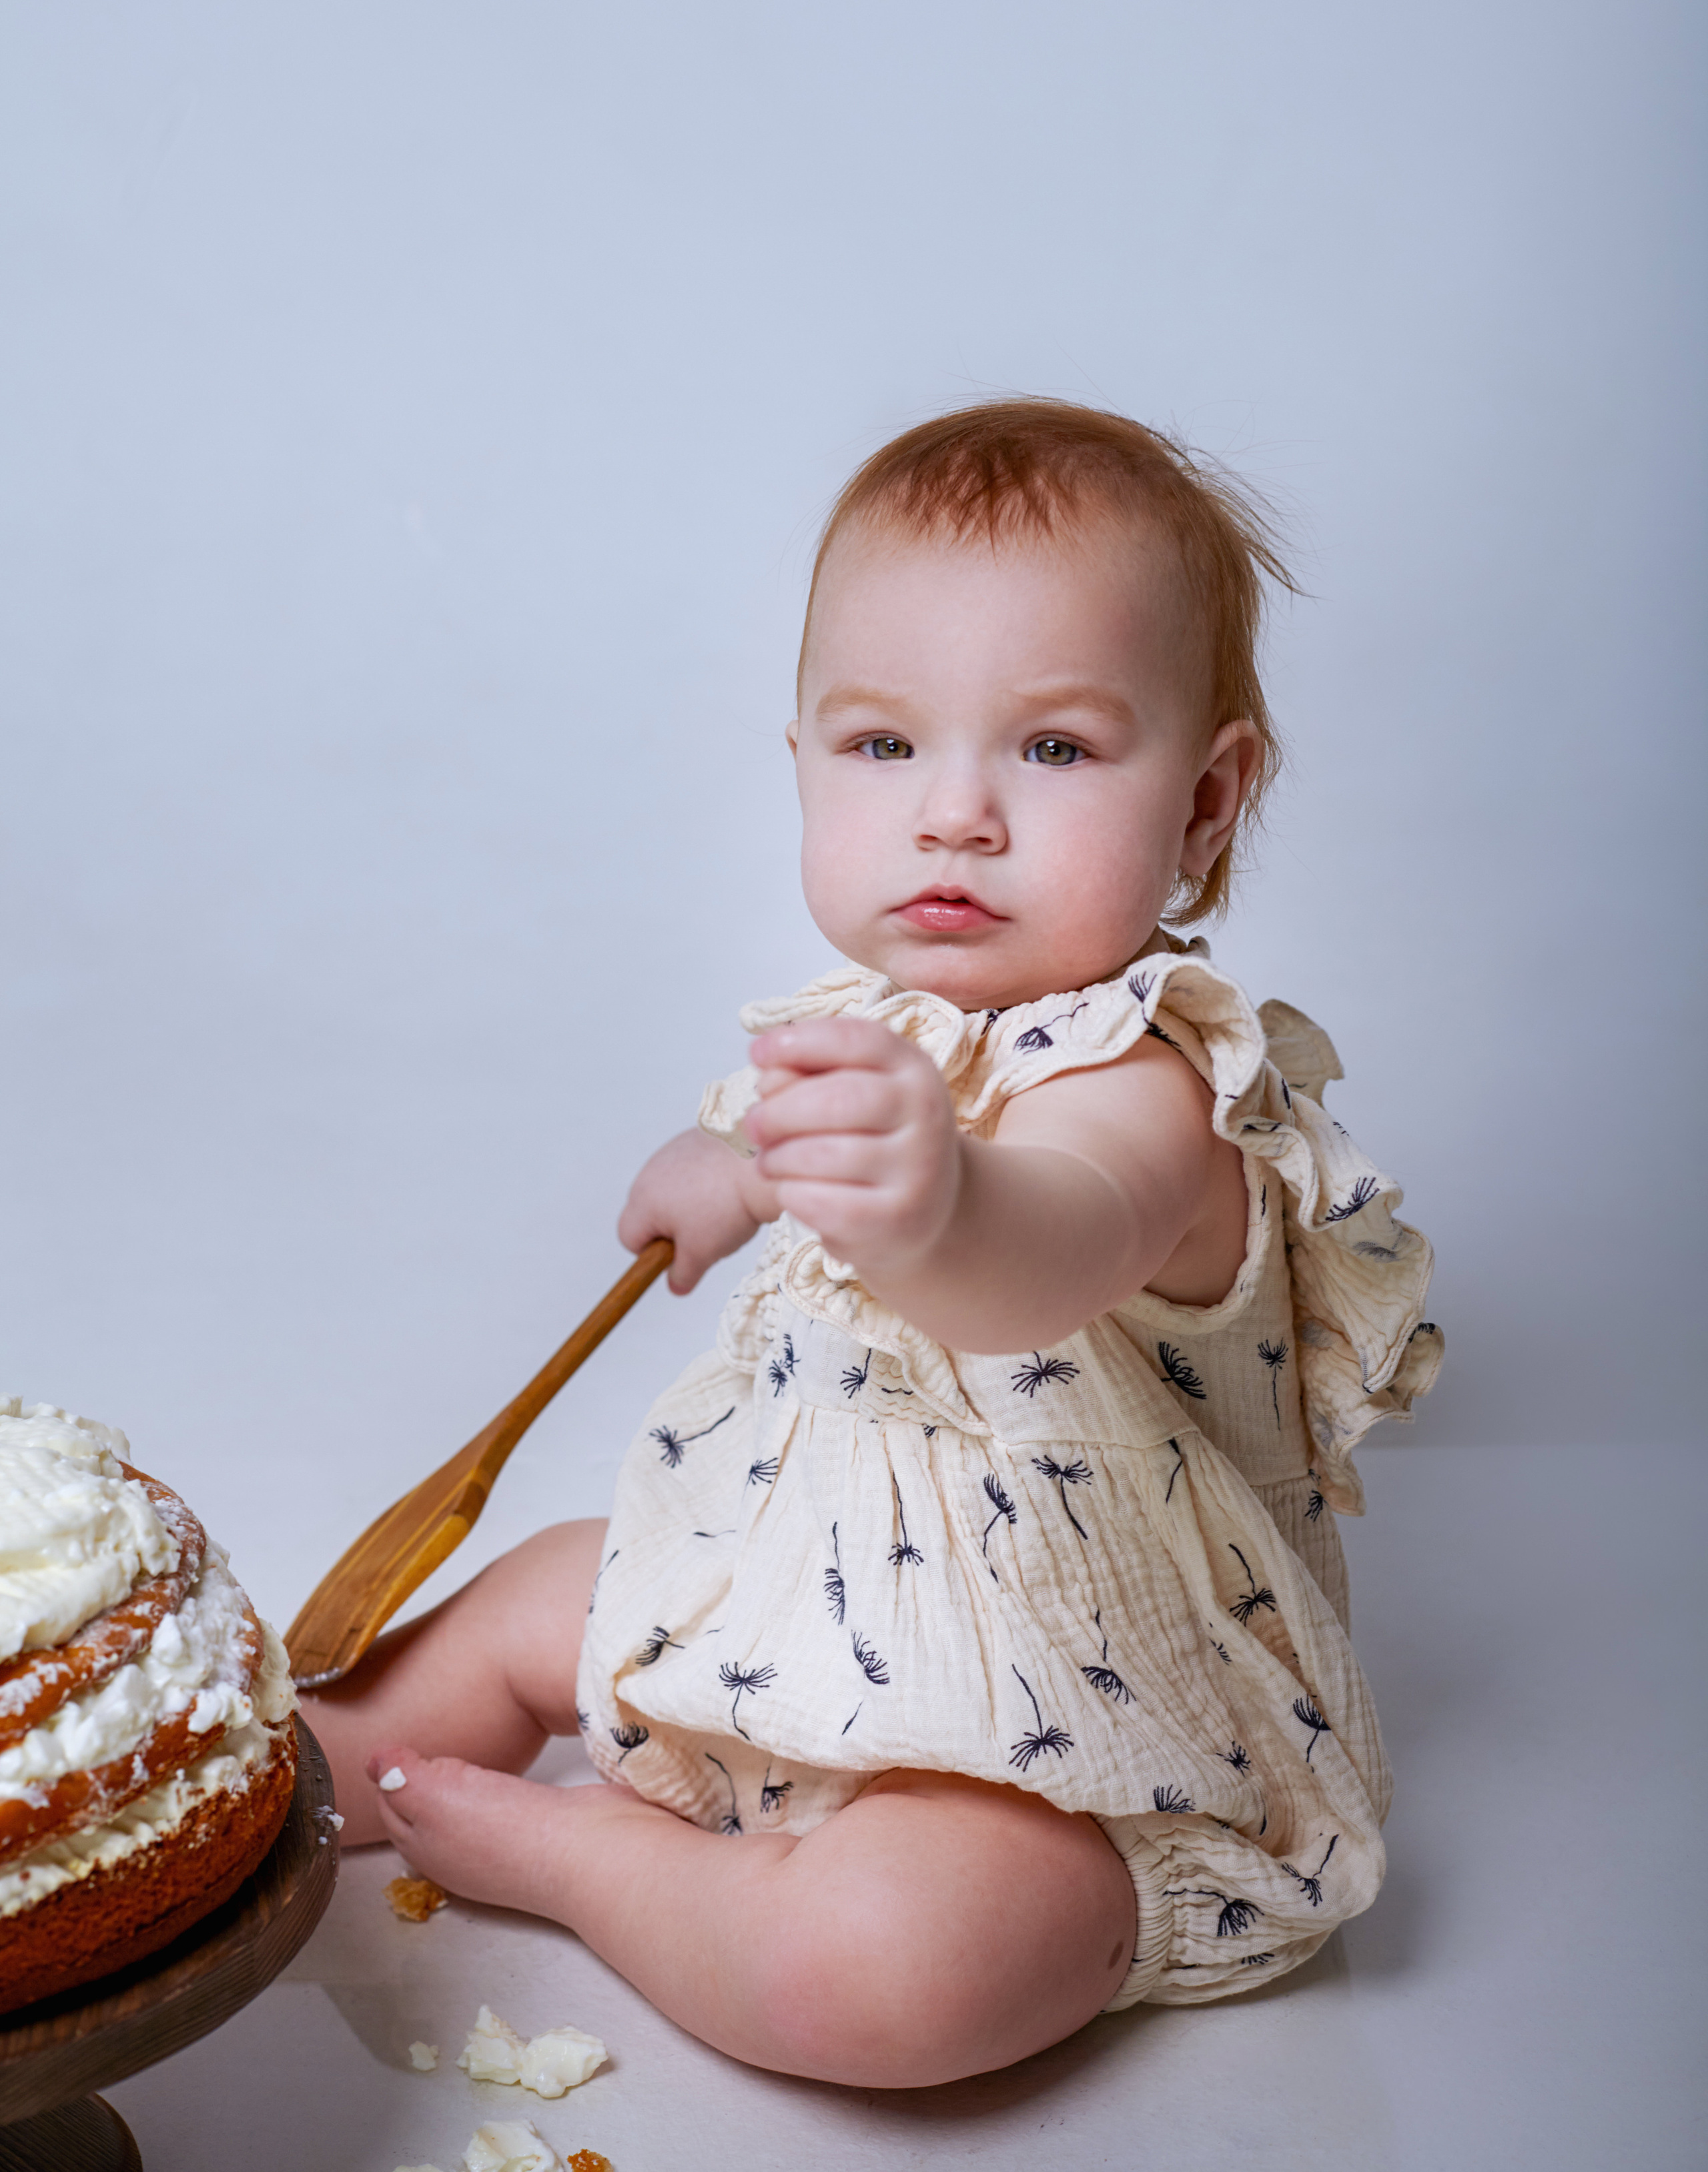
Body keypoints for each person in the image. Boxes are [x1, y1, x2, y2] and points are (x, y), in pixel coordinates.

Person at [305, 399, 1441, 2088]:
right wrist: (731, 1157)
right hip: (781, 1583)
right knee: (531, 1594)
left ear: (1205, 801)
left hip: (1055, 1737)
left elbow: (1048, 1238)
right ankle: (242, 1782)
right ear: (799, 763)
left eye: (1051, 749)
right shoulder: (874, 1031)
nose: (953, 813)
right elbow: (801, 1144)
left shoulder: (1158, 1097)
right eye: (881, 745)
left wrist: (936, 1206)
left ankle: (579, 1861)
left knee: (888, 1976)